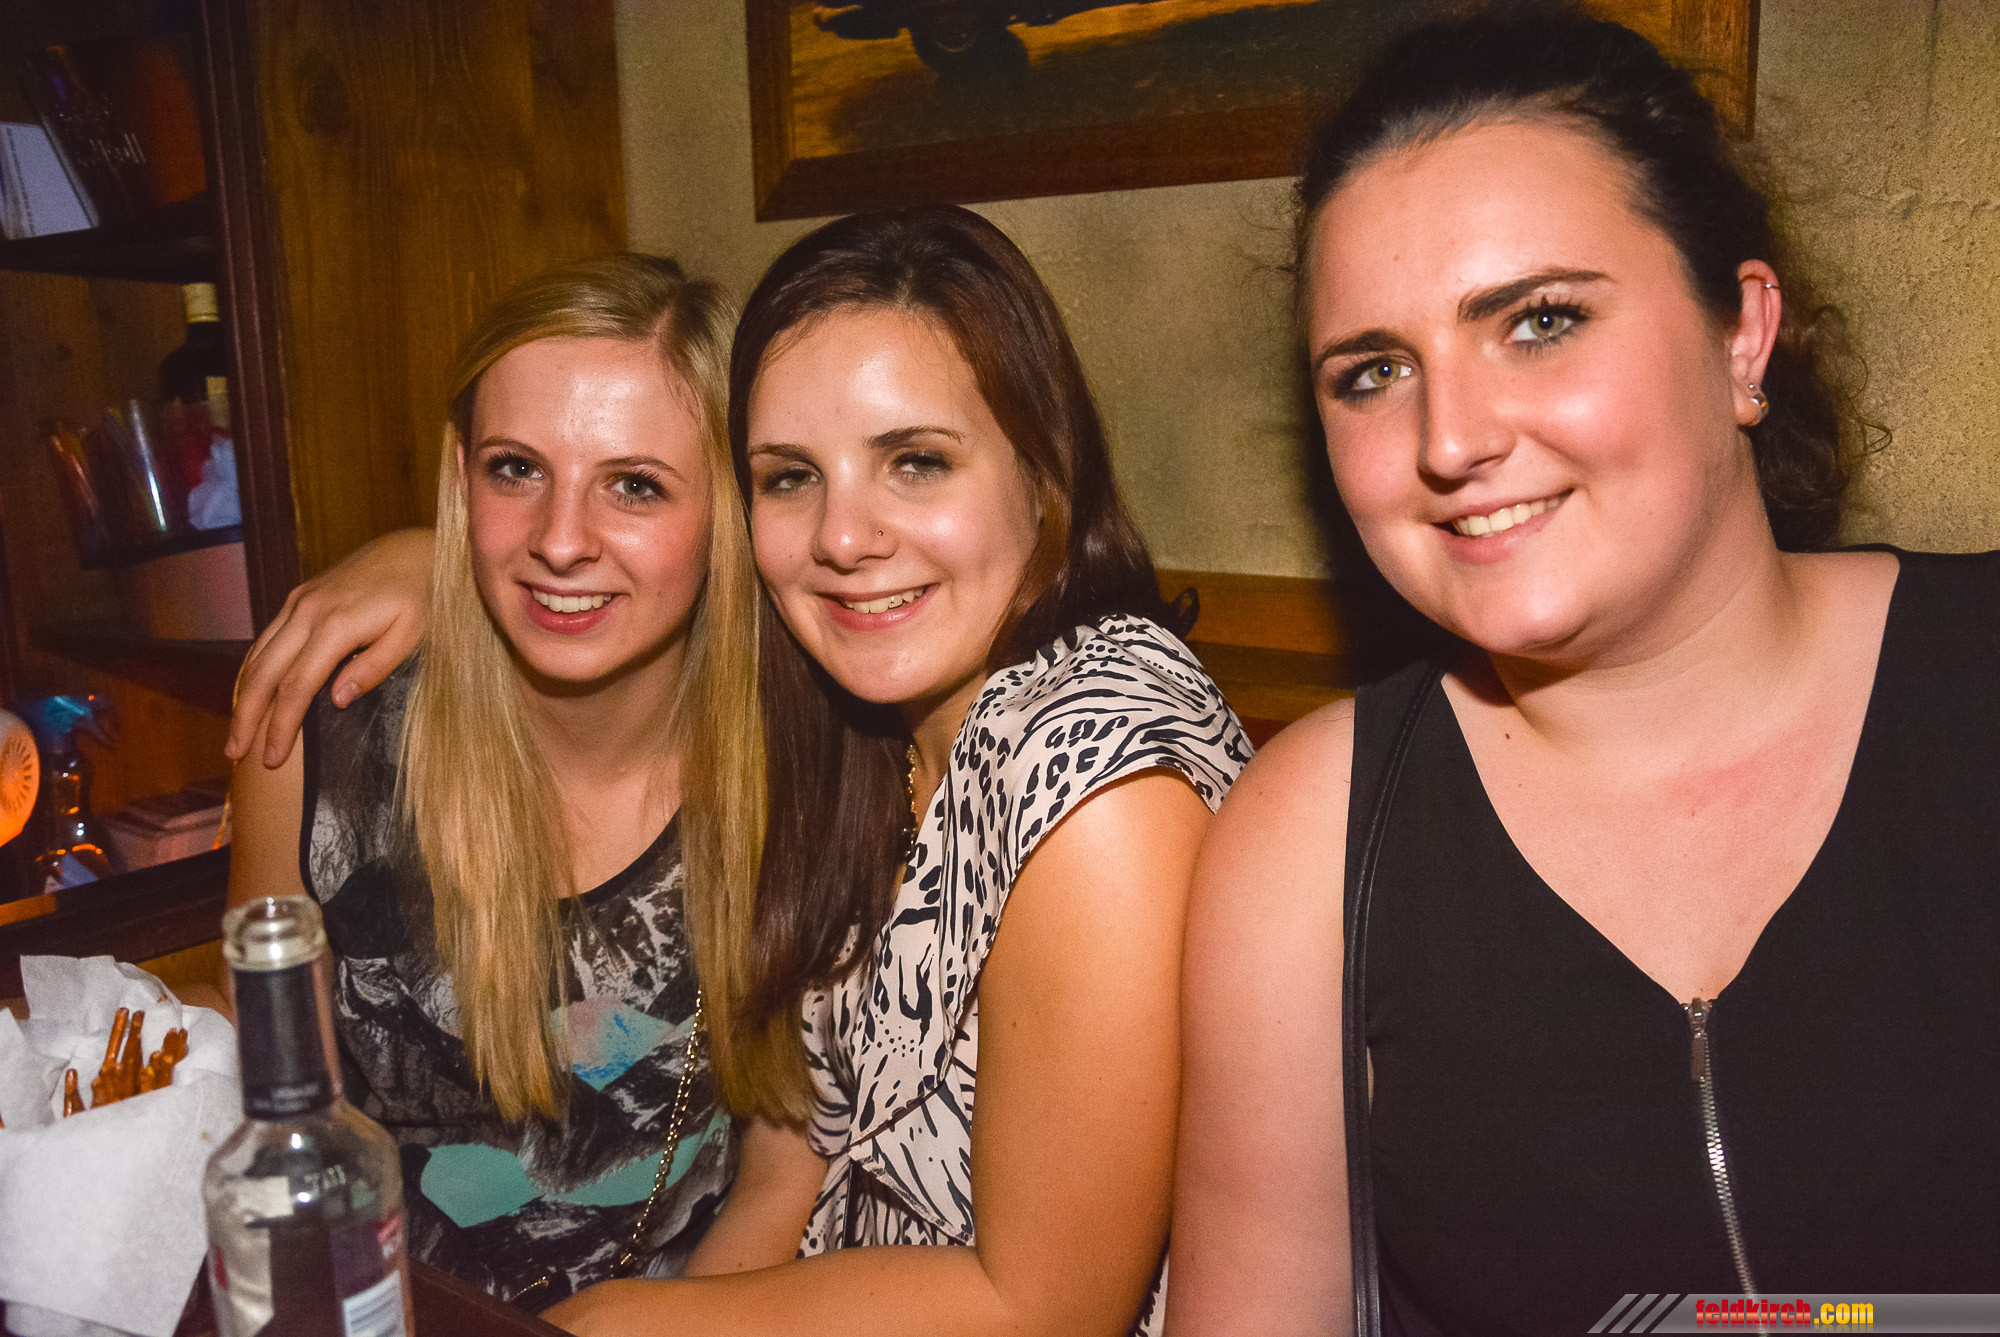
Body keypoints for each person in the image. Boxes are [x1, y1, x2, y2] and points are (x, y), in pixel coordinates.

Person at [227, 207, 1252, 1334]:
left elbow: (1043, 1302)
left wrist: (612, 1323)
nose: (845, 537)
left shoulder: (1077, 781)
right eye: (793, 475)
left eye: (915, 462)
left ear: (1044, 473)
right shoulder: (858, 728)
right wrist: (438, 563)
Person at [1169, 12, 2000, 1336]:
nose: (1450, 438)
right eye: (1374, 371)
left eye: (1540, 321)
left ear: (1741, 335)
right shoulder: (1306, 841)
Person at [225, 254, 767, 1306]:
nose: (560, 541)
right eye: (515, 469)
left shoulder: (800, 771)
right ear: (458, 472)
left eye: (636, 485)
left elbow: (787, 1175)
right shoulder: (314, 738)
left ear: (729, 510)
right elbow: (280, 1128)